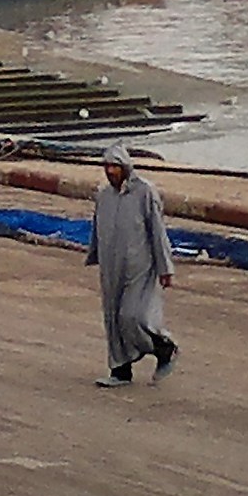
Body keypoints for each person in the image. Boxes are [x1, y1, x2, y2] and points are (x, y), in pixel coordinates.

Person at [88, 146, 179, 388]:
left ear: (126, 167)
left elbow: (157, 231)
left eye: (115, 166)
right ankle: (120, 370)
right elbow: (97, 228)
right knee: (113, 319)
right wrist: (94, 254)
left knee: (132, 316)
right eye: (106, 166)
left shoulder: (144, 192)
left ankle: (163, 348)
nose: (110, 171)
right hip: (111, 266)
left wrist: (165, 268)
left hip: (141, 267)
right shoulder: (104, 196)